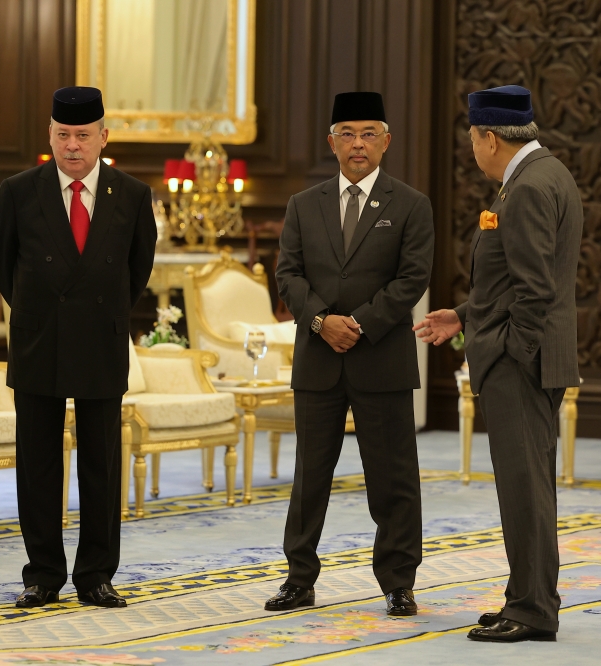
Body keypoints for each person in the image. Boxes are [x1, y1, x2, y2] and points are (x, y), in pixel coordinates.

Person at [414, 85, 583, 642]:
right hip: (527, 357)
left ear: (490, 137)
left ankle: (532, 611)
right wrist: (464, 316)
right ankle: (529, 597)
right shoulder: (545, 174)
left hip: (522, 366)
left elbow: (535, 291)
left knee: (524, 486)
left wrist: (513, 352)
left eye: (472, 139)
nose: (472, 150)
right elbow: (519, 280)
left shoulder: (529, 188)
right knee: (529, 484)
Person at [0, 86, 157, 609]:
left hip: (101, 343)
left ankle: (96, 575)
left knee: (101, 466)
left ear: (103, 137)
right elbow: (2, 264)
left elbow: (138, 270)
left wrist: (96, 312)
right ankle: (41, 575)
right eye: (63, 135)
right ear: (50, 136)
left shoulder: (130, 194)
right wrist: (42, 314)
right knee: (37, 465)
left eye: (83, 136)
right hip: (39, 342)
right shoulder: (19, 190)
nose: (73, 146)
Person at [267, 91, 434, 615]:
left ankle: (398, 582)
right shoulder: (303, 204)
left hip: (380, 358)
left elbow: (413, 279)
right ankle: (299, 579)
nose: (357, 144)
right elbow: (287, 274)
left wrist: (358, 324)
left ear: (386, 141)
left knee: (393, 478)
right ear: (331, 142)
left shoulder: (410, 204)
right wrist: (320, 321)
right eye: (347, 134)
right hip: (318, 359)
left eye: (368, 134)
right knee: (309, 478)